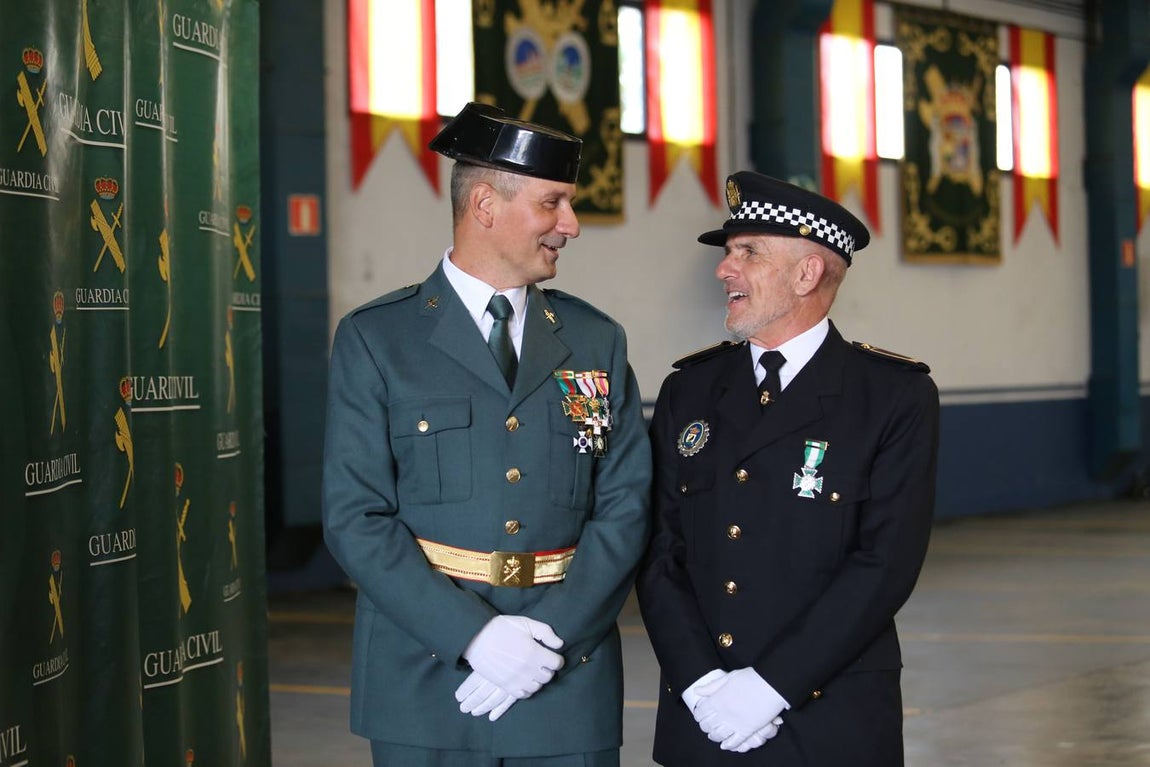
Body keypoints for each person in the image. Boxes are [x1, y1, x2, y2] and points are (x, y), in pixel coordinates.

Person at [322, 102, 651, 767]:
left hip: (565, 678)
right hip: (425, 677)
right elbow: (356, 516)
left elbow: (625, 504)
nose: (572, 226)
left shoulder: (594, 341)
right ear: (484, 205)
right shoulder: (380, 339)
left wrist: (548, 638)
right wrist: (473, 637)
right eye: (553, 204)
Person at [636, 171, 940, 766]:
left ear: (807, 274)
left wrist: (770, 687)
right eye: (727, 254)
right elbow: (656, 548)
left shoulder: (892, 396)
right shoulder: (689, 391)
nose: (724, 270)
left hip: (829, 720)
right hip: (705, 714)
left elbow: (885, 564)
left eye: (747, 252)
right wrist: (701, 683)